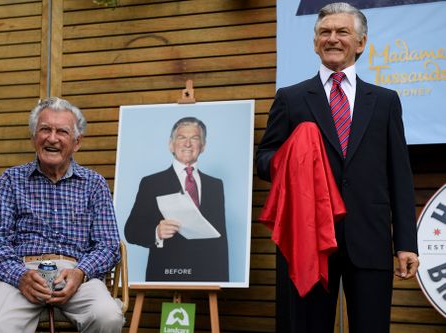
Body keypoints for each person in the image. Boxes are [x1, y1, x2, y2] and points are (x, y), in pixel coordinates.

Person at [256, 3, 419, 333]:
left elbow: (399, 175)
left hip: (369, 239)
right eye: (324, 32)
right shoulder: (292, 98)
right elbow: (264, 159)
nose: (332, 38)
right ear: (315, 42)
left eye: (342, 32)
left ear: (360, 43)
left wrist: (406, 242)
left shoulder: (386, 101)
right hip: (308, 239)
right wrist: (290, 158)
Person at [0, 97, 124, 333]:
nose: (52, 138)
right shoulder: (11, 180)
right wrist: (20, 276)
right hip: (23, 270)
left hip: (76, 272)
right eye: (45, 129)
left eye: (62, 132)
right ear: (34, 137)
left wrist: (81, 273)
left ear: (76, 142)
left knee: (108, 317)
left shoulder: (94, 184)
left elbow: (108, 245)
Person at [124, 117, 229, 282]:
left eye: (194, 138)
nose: (188, 144)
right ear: (171, 144)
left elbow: (221, 240)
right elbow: (131, 231)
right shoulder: (151, 183)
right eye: (181, 137)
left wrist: (224, 281)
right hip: (166, 272)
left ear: (203, 146)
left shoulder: (215, 185)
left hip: (207, 276)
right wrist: (156, 232)